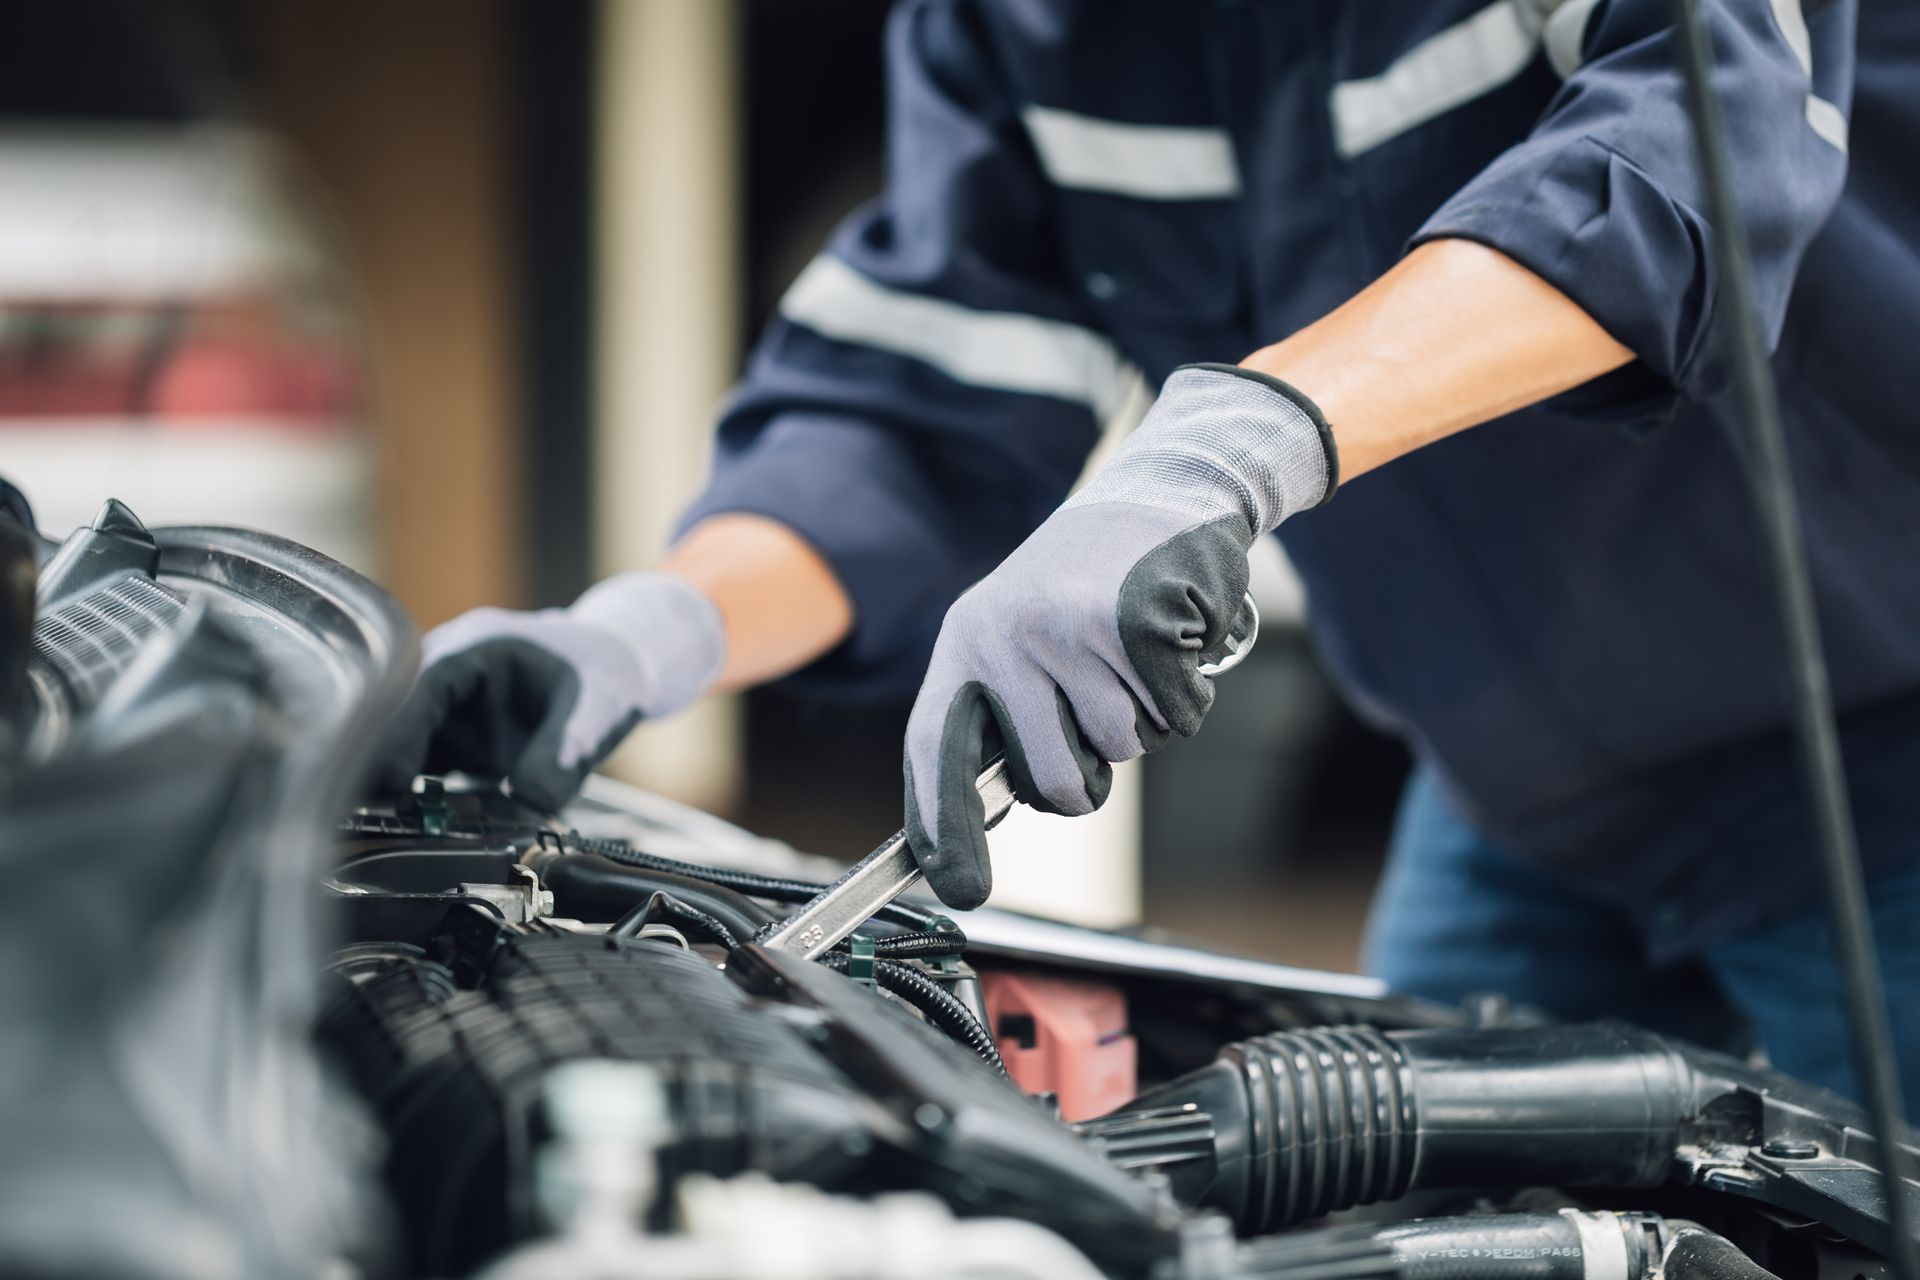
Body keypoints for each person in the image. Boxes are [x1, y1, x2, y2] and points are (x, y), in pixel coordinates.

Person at [380, 0, 1920, 1105]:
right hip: (1525, 793)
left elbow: (1695, 149)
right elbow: (912, 411)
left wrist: (1238, 443)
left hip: (1880, 768)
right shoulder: (1017, 32)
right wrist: (652, 636)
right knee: (1363, 1178)